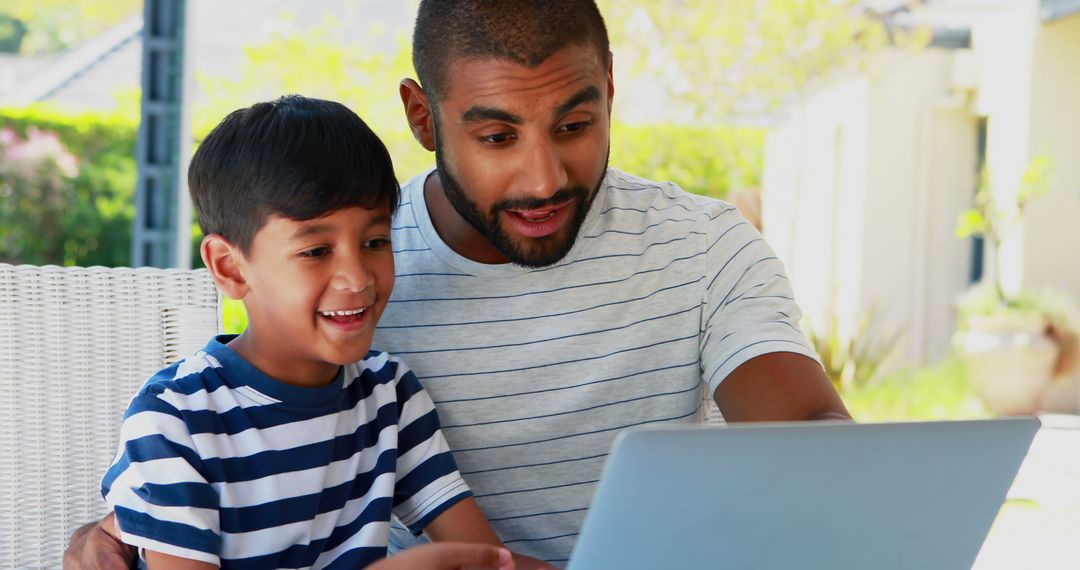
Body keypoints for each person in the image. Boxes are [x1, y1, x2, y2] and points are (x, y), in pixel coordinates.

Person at [67, 1, 850, 568]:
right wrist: (120, 524)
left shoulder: (702, 247)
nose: (543, 177)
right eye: (496, 135)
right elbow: (231, 435)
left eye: (574, 126)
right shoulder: (350, 282)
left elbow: (809, 439)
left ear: (610, 88)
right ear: (422, 116)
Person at [94, 95, 549, 570]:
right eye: (315, 251)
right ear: (230, 268)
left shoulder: (388, 397)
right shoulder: (175, 421)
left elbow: (492, 562)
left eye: (375, 242)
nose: (358, 278)